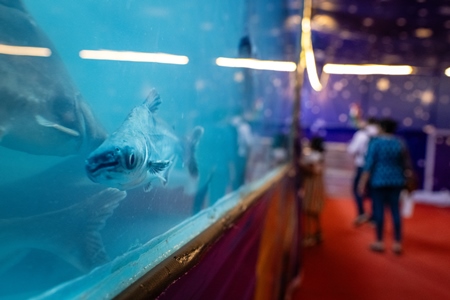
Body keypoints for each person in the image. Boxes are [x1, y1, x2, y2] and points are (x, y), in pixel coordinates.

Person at [358, 118, 410, 255]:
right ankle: (397, 243)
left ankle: (379, 242)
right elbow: (405, 164)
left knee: (379, 211)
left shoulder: (376, 143)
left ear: (381, 128)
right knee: (395, 211)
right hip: (397, 181)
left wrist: (362, 182)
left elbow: (368, 164)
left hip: (378, 181)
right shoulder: (399, 143)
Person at [347, 117, 379, 226]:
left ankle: (361, 213)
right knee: (374, 192)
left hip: (362, 166)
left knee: (358, 190)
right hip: (377, 168)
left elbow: (352, 150)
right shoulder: (380, 134)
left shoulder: (361, 134)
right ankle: (375, 217)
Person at [301, 136, 326, 246]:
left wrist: (302, 166)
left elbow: (315, 171)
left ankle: (309, 236)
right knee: (315, 211)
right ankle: (318, 233)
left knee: (309, 210)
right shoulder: (320, 156)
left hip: (312, 186)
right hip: (317, 185)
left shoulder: (315, 156)